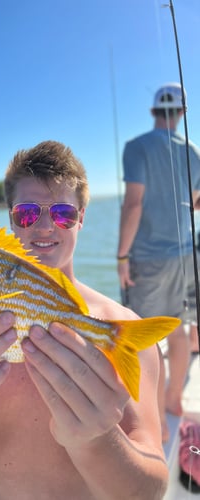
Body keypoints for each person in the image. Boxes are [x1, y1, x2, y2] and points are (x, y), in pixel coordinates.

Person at [0, 140, 168, 499]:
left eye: (62, 214)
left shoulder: (121, 328)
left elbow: (149, 490)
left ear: (81, 218)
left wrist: (98, 441)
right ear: (11, 217)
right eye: (27, 213)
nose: (43, 227)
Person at [117, 83, 200, 442]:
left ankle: (152, 417)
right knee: (180, 328)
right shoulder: (194, 152)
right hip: (185, 255)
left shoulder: (136, 147)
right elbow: (197, 201)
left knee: (146, 338)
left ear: (153, 112)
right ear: (181, 113)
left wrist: (122, 256)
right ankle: (173, 399)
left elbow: (133, 203)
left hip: (148, 259)